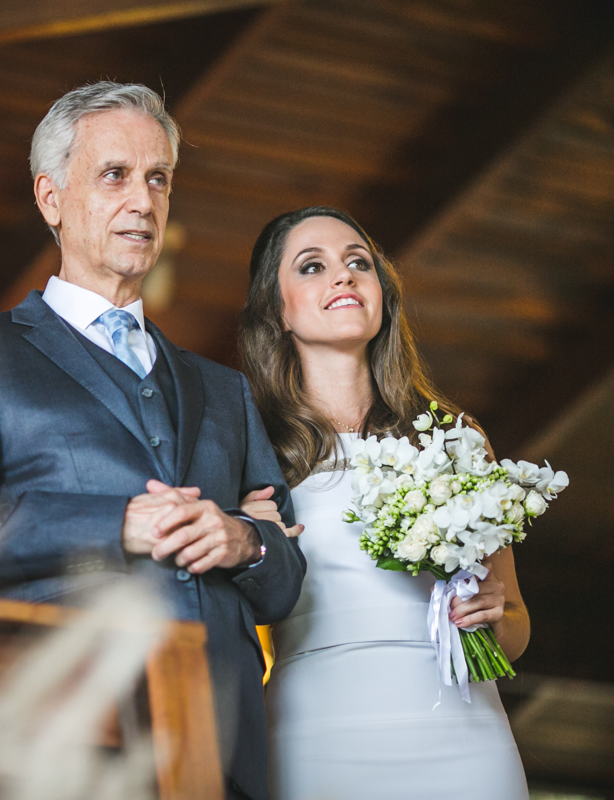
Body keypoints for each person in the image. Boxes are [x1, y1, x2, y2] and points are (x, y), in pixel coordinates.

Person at [0, 82, 306, 800]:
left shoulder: (226, 390)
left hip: (226, 752)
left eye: (159, 178)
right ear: (51, 198)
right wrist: (114, 523)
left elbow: (283, 582)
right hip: (65, 743)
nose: (144, 199)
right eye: (115, 175)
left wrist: (245, 541)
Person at [236, 206, 530, 799]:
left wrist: (495, 618)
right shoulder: (252, 450)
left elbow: (518, 624)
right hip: (315, 735)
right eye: (312, 267)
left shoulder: (456, 439)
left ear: (381, 293)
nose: (342, 277)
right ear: (278, 311)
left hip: (465, 734)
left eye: (358, 263)